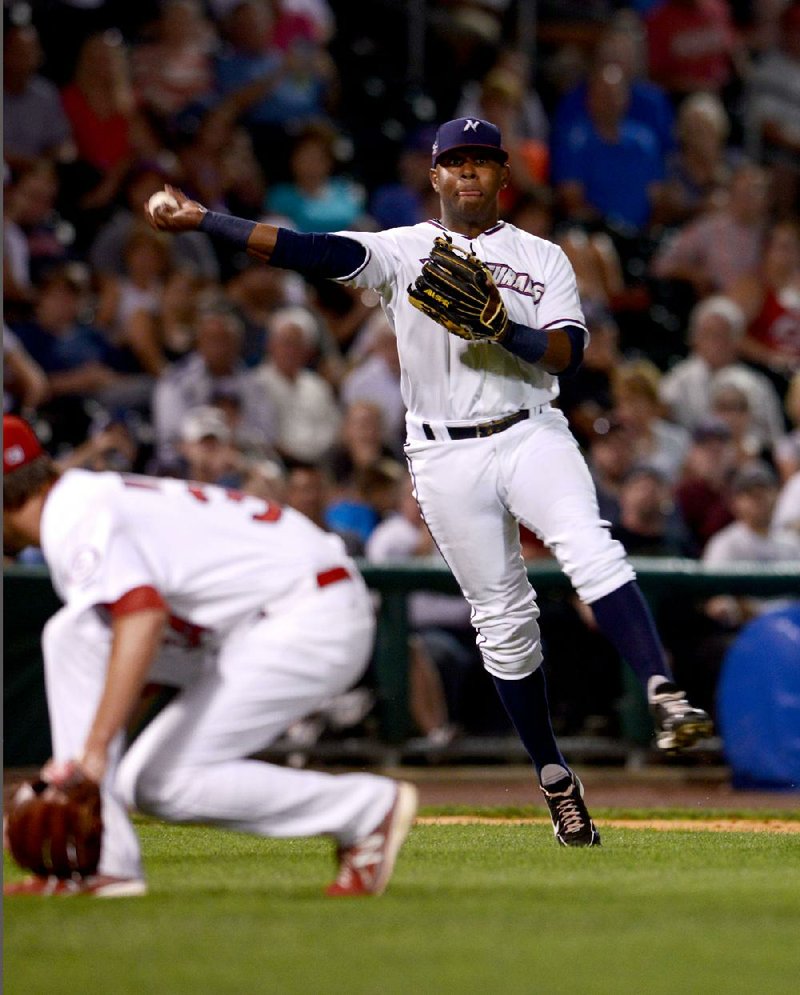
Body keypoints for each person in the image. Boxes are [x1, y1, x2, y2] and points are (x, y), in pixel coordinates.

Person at [147, 115, 713, 848]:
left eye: (483, 161)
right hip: (443, 454)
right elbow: (306, 250)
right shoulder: (402, 250)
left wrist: (503, 330)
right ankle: (554, 777)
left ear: (504, 176)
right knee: (504, 623)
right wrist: (203, 220)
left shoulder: (542, 257)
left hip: (529, 428)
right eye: (457, 162)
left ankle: (664, 691)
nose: (470, 172)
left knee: (589, 547)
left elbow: (570, 355)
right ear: (436, 177)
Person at [2, 414, 417, 897]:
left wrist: (93, 756)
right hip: (275, 612)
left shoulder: (73, 517)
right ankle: (102, 864)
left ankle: (365, 809)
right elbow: (145, 650)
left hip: (303, 615)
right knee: (78, 640)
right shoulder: (88, 496)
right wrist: (85, 766)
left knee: (161, 775)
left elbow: (143, 617)